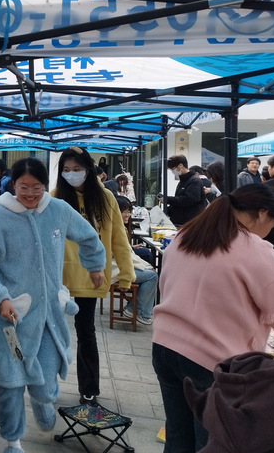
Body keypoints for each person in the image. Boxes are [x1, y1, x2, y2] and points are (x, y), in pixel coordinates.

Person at [0, 158, 106, 451]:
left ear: (45, 186)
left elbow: (88, 235)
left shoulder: (57, 210)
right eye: (23, 187)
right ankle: (13, 441)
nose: (30, 194)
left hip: (46, 318)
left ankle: (43, 399)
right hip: (10, 320)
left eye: (37, 187)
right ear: (13, 185)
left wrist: (96, 265)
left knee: (45, 379)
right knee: (11, 381)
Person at [152, 184, 274, 452]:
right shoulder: (255, 248)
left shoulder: (186, 234)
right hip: (210, 359)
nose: (271, 230)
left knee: (177, 436)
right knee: (210, 444)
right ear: (262, 213)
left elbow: (166, 285)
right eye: (273, 223)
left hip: (165, 346)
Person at [53, 146, 134, 406]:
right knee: (50, 332)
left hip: (91, 275)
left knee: (86, 331)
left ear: (88, 169)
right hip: (58, 276)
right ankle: (46, 384)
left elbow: (119, 238)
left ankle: (89, 389)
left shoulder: (106, 198)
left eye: (77, 169)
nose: (72, 174)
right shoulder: (55, 197)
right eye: (66, 170)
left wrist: (126, 273)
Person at [113, 196, 158, 325]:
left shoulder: (119, 227)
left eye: (129, 212)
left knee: (151, 271)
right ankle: (134, 309)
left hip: (120, 267)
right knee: (152, 276)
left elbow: (127, 253)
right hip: (118, 270)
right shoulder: (117, 229)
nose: (127, 215)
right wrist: (145, 267)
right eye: (124, 212)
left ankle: (143, 313)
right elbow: (125, 255)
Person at [161, 154, 206, 227]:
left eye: (173, 169)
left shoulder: (194, 181)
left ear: (180, 165)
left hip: (188, 223)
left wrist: (168, 199)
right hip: (180, 221)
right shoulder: (183, 181)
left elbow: (189, 199)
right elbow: (179, 201)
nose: (173, 172)